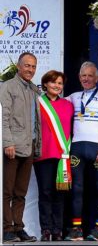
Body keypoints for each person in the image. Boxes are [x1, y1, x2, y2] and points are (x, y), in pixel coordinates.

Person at [64, 61, 98, 241]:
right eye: (83, 75)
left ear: (97, 78)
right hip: (77, 148)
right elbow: (53, 103)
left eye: (90, 75)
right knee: (77, 189)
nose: (86, 79)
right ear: (79, 78)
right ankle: (76, 229)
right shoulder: (73, 97)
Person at [1, 52, 41, 243]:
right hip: (12, 147)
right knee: (6, 191)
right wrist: (7, 142)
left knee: (20, 193)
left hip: (29, 146)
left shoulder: (34, 90)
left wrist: (37, 145)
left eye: (33, 66)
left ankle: (18, 228)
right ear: (18, 66)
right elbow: (3, 117)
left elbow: (36, 122)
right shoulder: (8, 86)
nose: (30, 69)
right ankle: (6, 229)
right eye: (27, 65)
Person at [34, 70, 74, 242]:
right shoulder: (38, 103)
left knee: (60, 194)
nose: (57, 86)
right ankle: (46, 229)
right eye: (53, 82)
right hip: (43, 155)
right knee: (45, 193)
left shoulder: (68, 105)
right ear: (45, 84)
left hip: (62, 156)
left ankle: (57, 230)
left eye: (60, 83)